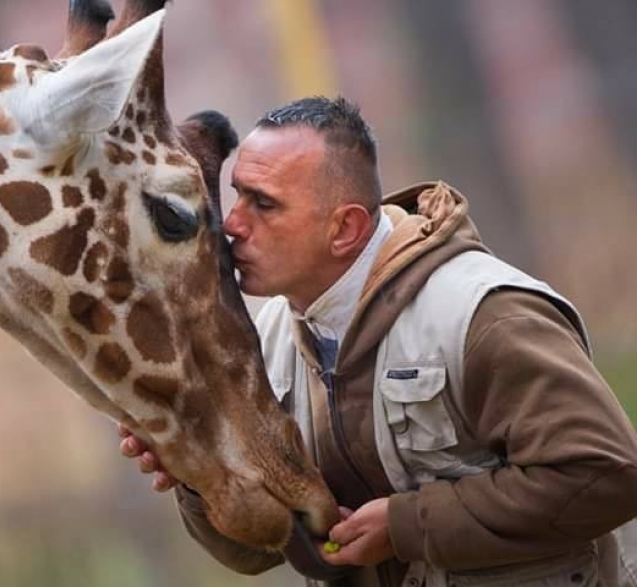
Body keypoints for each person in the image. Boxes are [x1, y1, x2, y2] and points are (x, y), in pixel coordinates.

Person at [119, 96, 637, 586]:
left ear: (345, 229)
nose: (232, 223)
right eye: (236, 195)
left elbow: (608, 475)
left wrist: (406, 526)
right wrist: (198, 467)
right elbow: (261, 553)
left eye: (263, 204)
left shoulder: (483, 315)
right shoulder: (266, 339)